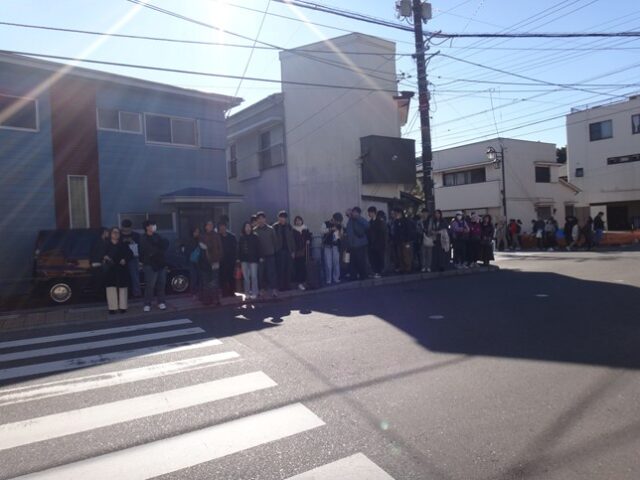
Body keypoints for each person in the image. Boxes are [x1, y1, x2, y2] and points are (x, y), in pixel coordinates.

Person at [139, 220, 169, 312]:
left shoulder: (158, 236)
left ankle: (161, 302)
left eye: (154, 225)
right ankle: (147, 303)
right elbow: (145, 251)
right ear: (147, 227)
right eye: (152, 225)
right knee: (150, 285)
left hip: (160, 263)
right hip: (149, 264)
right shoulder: (143, 238)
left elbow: (164, 246)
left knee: (161, 283)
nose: (154, 226)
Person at [103, 227, 133, 314]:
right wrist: (105, 257)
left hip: (121, 268)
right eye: (114, 232)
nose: (116, 234)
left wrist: (125, 259)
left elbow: (130, 254)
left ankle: (123, 307)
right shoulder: (106, 244)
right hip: (110, 269)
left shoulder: (123, 244)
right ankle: (112, 308)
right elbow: (100, 254)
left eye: (118, 233)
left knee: (123, 288)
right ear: (110, 234)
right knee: (111, 288)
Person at [255, 211, 278, 297]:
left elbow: (275, 242)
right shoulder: (255, 230)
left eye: (262, 218)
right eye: (259, 219)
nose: (261, 220)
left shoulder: (271, 229)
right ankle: (261, 290)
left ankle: (274, 290)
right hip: (260, 256)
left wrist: (273, 251)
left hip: (270, 255)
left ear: (265, 219)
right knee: (260, 274)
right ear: (257, 220)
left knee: (271, 273)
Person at [200, 220, 223, 305]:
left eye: (211, 225)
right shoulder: (202, 236)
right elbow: (202, 248)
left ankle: (216, 299)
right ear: (205, 226)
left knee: (215, 281)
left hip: (215, 261)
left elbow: (220, 248)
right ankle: (207, 300)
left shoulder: (216, 235)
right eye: (208, 225)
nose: (210, 226)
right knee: (206, 282)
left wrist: (219, 257)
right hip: (205, 262)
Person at [273, 211, 295, 291]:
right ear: (278, 218)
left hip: (288, 250)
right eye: (281, 217)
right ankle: (281, 286)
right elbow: (273, 240)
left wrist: (293, 251)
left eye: (284, 217)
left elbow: (292, 239)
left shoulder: (289, 226)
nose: (283, 219)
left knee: (288, 269)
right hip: (279, 251)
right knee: (280, 269)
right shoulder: (275, 227)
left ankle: (288, 285)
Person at [345, 207, 369, 280]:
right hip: (352, 245)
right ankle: (353, 276)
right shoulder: (350, 221)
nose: (349, 215)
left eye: (350, 213)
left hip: (360, 244)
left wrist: (357, 217)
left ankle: (363, 275)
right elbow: (349, 233)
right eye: (347, 214)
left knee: (361, 261)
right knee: (352, 261)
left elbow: (367, 225)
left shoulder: (359, 219)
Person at [238, 221, 260, 300]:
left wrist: (260, 257)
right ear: (244, 228)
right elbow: (239, 249)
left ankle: (254, 292)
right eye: (246, 227)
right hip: (244, 259)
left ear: (251, 228)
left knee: (254, 276)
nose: (247, 228)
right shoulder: (242, 237)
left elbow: (258, 248)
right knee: (246, 277)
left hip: (254, 259)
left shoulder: (255, 236)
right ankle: (247, 293)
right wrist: (238, 258)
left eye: (249, 226)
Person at [120, 219, 141, 297]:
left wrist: (132, 242)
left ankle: (136, 293)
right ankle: (124, 294)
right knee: (122, 276)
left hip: (133, 257)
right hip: (121, 258)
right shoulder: (118, 235)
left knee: (134, 275)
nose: (126, 230)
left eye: (128, 228)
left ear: (131, 227)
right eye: (124, 228)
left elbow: (140, 246)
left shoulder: (136, 235)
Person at [321, 212, 343, 285]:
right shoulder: (325, 223)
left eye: (339, 222)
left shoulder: (339, 225)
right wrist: (330, 229)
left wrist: (340, 233)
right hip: (327, 246)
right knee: (328, 263)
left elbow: (340, 236)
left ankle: (336, 278)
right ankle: (328, 279)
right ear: (333, 219)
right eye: (337, 221)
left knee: (336, 263)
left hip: (336, 246)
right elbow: (322, 231)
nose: (338, 223)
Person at [218, 221, 237, 297]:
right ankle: (224, 293)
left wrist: (235, 259)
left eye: (223, 227)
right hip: (221, 260)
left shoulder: (232, 236)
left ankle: (232, 292)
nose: (222, 228)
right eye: (221, 227)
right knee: (222, 277)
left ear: (226, 227)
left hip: (231, 260)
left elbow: (235, 248)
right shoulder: (218, 237)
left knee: (231, 277)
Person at [391, 207, 413, 273]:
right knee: (400, 255)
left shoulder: (406, 221)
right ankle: (402, 267)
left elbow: (409, 231)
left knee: (406, 255)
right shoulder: (396, 221)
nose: (395, 214)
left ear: (400, 213)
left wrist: (407, 240)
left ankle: (408, 268)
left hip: (406, 241)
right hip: (398, 241)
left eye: (396, 213)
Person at [292, 216, 312, 290]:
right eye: (296, 221)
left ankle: (305, 282)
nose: (298, 222)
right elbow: (292, 241)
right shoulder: (293, 230)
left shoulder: (305, 229)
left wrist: (308, 240)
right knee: (298, 267)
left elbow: (309, 236)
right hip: (297, 251)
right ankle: (299, 283)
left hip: (305, 250)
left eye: (299, 220)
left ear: (302, 221)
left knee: (305, 266)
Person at [368, 208, 387, 278]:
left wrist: (382, 243)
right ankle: (376, 272)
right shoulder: (370, 222)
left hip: (379, 243)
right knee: (373, 259)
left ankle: (380, 272)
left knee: (379, 258)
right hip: (372, 244)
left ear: (374, 213)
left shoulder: (380, 222)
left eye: (370, 212)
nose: (369, 214)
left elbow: (382, 234)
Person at [184, 226, 202, 297]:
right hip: (192, 261)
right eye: (195, 232)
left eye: (198, 231)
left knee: (199, 277)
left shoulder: (200, 239)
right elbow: (186, 251)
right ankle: (194, 292)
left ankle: (198, 292)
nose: (197, 233)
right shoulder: (190, 240)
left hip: (198, 261)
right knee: (194, 277)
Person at [419, 208, 434, 273]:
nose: (424, 214)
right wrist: (421, 231)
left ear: (428, 213)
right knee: (423, 253)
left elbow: (433, 228)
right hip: (422, 238)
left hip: (430, 238)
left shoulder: (431, 221)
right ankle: (423, 266)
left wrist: (430, 232)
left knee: (429, 253)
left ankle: (428, 267)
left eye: (426, 213)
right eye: (423, 213)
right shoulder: (420, 221)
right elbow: (417, 229)